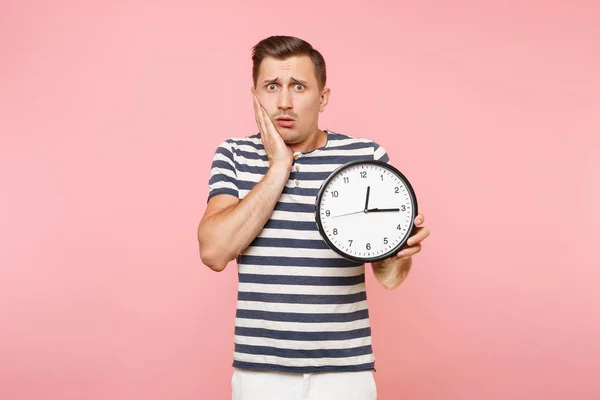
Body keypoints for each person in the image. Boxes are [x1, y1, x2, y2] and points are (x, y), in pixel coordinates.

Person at [197, 35, 430, 400]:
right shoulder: (234, 154)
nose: (284, 102)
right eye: (271, 86)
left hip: (345, 374)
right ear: (255, 94)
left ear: (323, 97)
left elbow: (389, 278)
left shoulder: (365, 156)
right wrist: (279, 166)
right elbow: (213, 252)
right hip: (259, 373)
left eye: (299, 87)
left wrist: (397, 253)